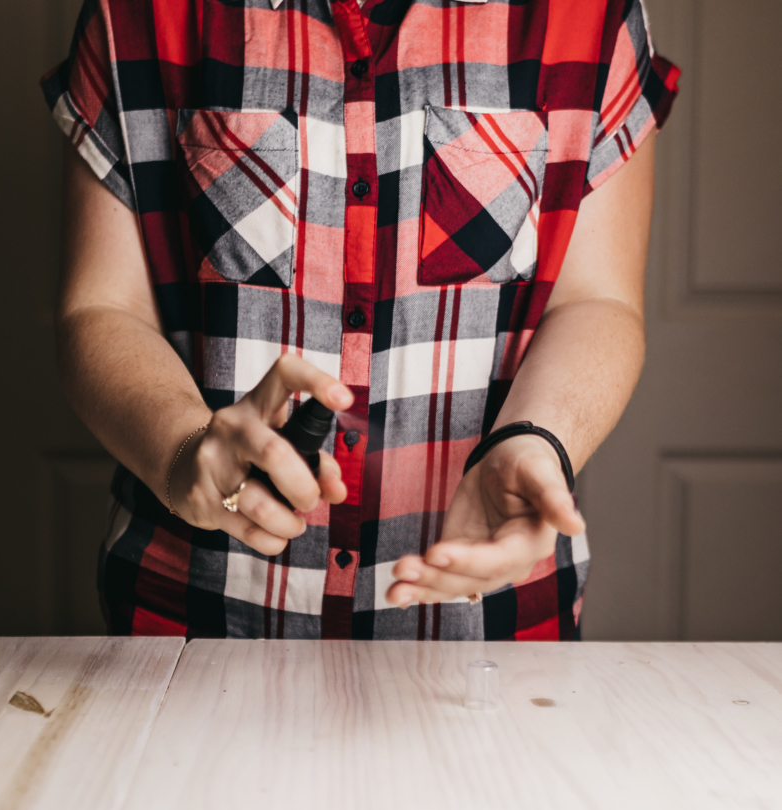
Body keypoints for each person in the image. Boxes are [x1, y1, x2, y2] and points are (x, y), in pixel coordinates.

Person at [42, 0, 678, 641]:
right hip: (192, 621)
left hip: (491, 632)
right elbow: (102, 309)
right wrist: (184, 453)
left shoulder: (591, 16)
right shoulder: (137, 14)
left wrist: (539, 440)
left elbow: (598, 302)